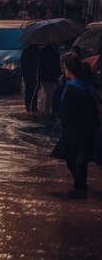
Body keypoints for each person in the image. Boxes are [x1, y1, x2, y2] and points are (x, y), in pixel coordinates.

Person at [51, 52, 100, 193]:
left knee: (70, 158)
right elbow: (94, 109)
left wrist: (63, 124)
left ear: (68, 68)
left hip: (74, 129)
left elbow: (65, 111)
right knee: (82, 158)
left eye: (64, 68)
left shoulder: (70, 89)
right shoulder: (88, 87)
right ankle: (82, 184)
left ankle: (79, 183)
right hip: (88, 128)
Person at [36, 44, 62, 120]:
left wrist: (38, 78)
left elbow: (39, 66)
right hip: (51, 78)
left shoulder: (42, 51)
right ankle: (48, 114)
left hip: (43, 78)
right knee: (50, 96)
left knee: (49, 95)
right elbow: (57, 67)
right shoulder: (55, 52)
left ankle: (47, 112)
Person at [21, 44, 41, 112]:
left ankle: (29, 108)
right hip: (34, 75)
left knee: (29, 91)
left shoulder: (25, 50)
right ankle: (33, 107)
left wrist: (23, 74)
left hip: (28, 75)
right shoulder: (37, 50)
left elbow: (22, 63)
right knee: (34, 91)